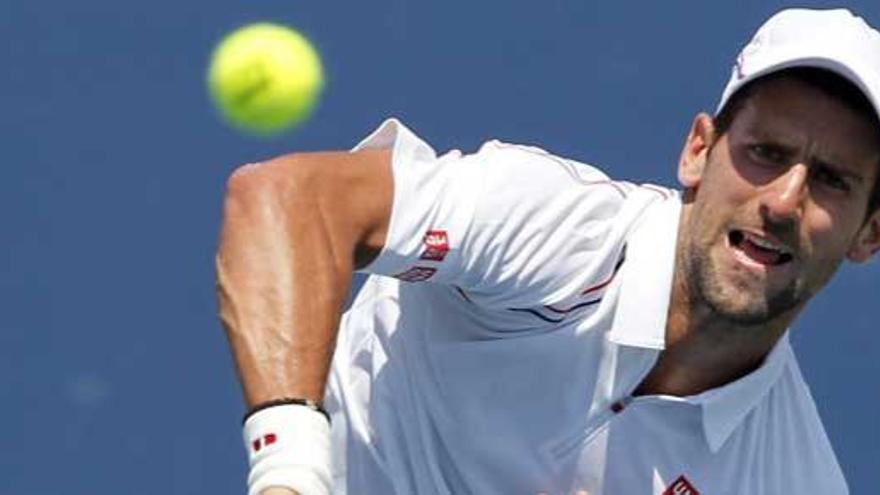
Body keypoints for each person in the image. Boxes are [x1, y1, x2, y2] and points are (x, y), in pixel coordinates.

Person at [216, 8, 880, 495]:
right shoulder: (558, 228)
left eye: (832, 180)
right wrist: (290, 474)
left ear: (868, 234)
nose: (785, 201)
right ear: (698, 152)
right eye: (766, 153)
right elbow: (288, 200)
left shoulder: (793, 478)